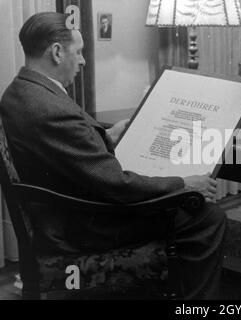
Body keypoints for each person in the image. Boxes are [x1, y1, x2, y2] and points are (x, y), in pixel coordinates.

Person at [0, 12, 226, 300]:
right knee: (206, 215)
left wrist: (107, 136)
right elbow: (116, 185)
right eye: (79, 52)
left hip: (61, 214)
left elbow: (64, 149)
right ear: (56, 52)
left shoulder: (20, 91)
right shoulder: (49, 108)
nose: (82, 61)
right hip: (83, 224)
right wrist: (183, 183)